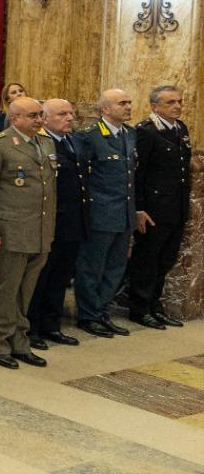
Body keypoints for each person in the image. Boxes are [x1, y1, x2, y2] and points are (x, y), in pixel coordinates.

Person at [0, 97, 55, 368]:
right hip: (10, 231)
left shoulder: (45, 143)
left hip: (39, 230)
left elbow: (48, 192)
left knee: (25, 291)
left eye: (41, 115)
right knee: (4, 290)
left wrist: (49, 230)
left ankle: (20, 342)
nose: (39, 120)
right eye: (33, 115)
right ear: (15, 117)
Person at [74, 88, 138, 338]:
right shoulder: (89, 136)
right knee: (92, 267)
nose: (128, 107)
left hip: (124, 213)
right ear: (105, 109)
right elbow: (83, 178)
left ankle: (101, 311)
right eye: (122, 103)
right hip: (100, 212)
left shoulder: (130, 134)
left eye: (130, 102)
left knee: (115, 267)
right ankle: (88, 315)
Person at [127, 85, 191, 329]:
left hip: (175, 207)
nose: (177, 106)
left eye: (179, 101)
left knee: (165, 259)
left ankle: (155, 305)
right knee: (147, 259)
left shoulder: (180, 128)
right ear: (155, 106)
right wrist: (139, 209)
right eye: (170, 102)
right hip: (153, 209)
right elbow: (138, 174)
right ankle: (140, 308)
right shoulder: (146, 131)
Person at [28, 99, 89, 347]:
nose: (69, 118)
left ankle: (52, 326)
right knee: (41, 277)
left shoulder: (73, 141)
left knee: (61, 277)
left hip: (73, 220)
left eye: (71, 113)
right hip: (50, 221)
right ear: (44, 118)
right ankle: (31, 328)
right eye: (62, 114)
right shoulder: (40, 143)